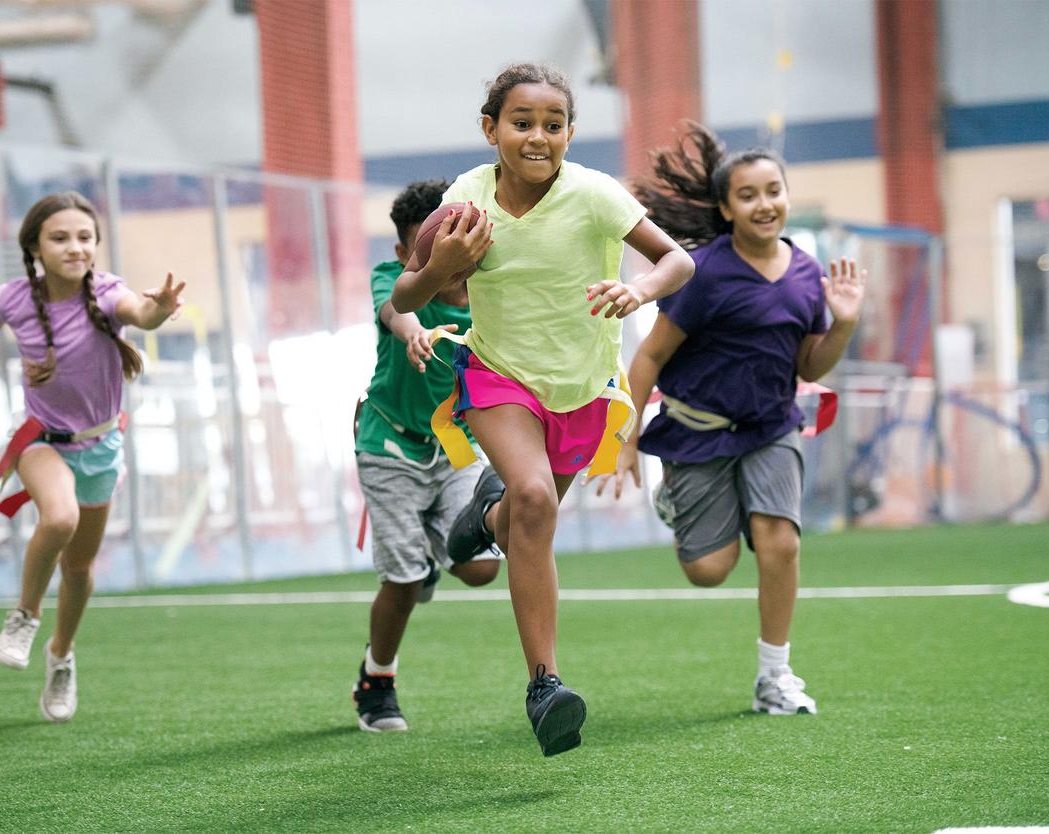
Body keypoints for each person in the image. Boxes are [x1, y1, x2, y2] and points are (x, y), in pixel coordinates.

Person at [391, 63, 695, 756]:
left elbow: (678, 261)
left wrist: (640, 291)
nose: (537, 137)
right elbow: (407, 296)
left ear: (570, 134)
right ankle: (545, 685)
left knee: (526, 514)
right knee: (534, 497)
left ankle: (483, 518)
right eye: (521, 123)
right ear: (490, 129)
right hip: (498, 377)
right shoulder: (466, 200)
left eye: (553, 125)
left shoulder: (594, 194)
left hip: (582, 390)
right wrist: (441, 266)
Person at [595, 123, 866, 715]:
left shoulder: (806, 273)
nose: (763, 204)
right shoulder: (703, 274)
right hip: (696, 432)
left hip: (772, 428)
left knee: (779, 543)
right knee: (708, 570)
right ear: (725, 208)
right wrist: (624, 442)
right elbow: (649, 358)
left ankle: (775, 676)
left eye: (773, 191)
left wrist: (843, 324)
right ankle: (686, 504)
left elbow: (809, 363)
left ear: (787, 196)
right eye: (747, 195)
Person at [0, 191, 184, 722]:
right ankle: (24, 617)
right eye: (60, 238)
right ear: (35, 247)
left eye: (85, 237)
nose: (74, 247)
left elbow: (141, 313)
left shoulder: (107, 293)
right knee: (59, 518)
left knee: (80, 566)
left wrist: (158, 308)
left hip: (101, 447)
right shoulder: (15, 298)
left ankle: (61, 654)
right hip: (40, 440)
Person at [351, 179, 502, 733]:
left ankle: (430, 554)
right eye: (429, 246)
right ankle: (376, 681)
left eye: (456, 241)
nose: (447, 257)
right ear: (403, 253)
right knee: (405, 581)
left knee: (482, 568)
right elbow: (398, 311)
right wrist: (413, 327)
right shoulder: (392, 279)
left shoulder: (493, 292)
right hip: (390, 445)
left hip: (456, 446)